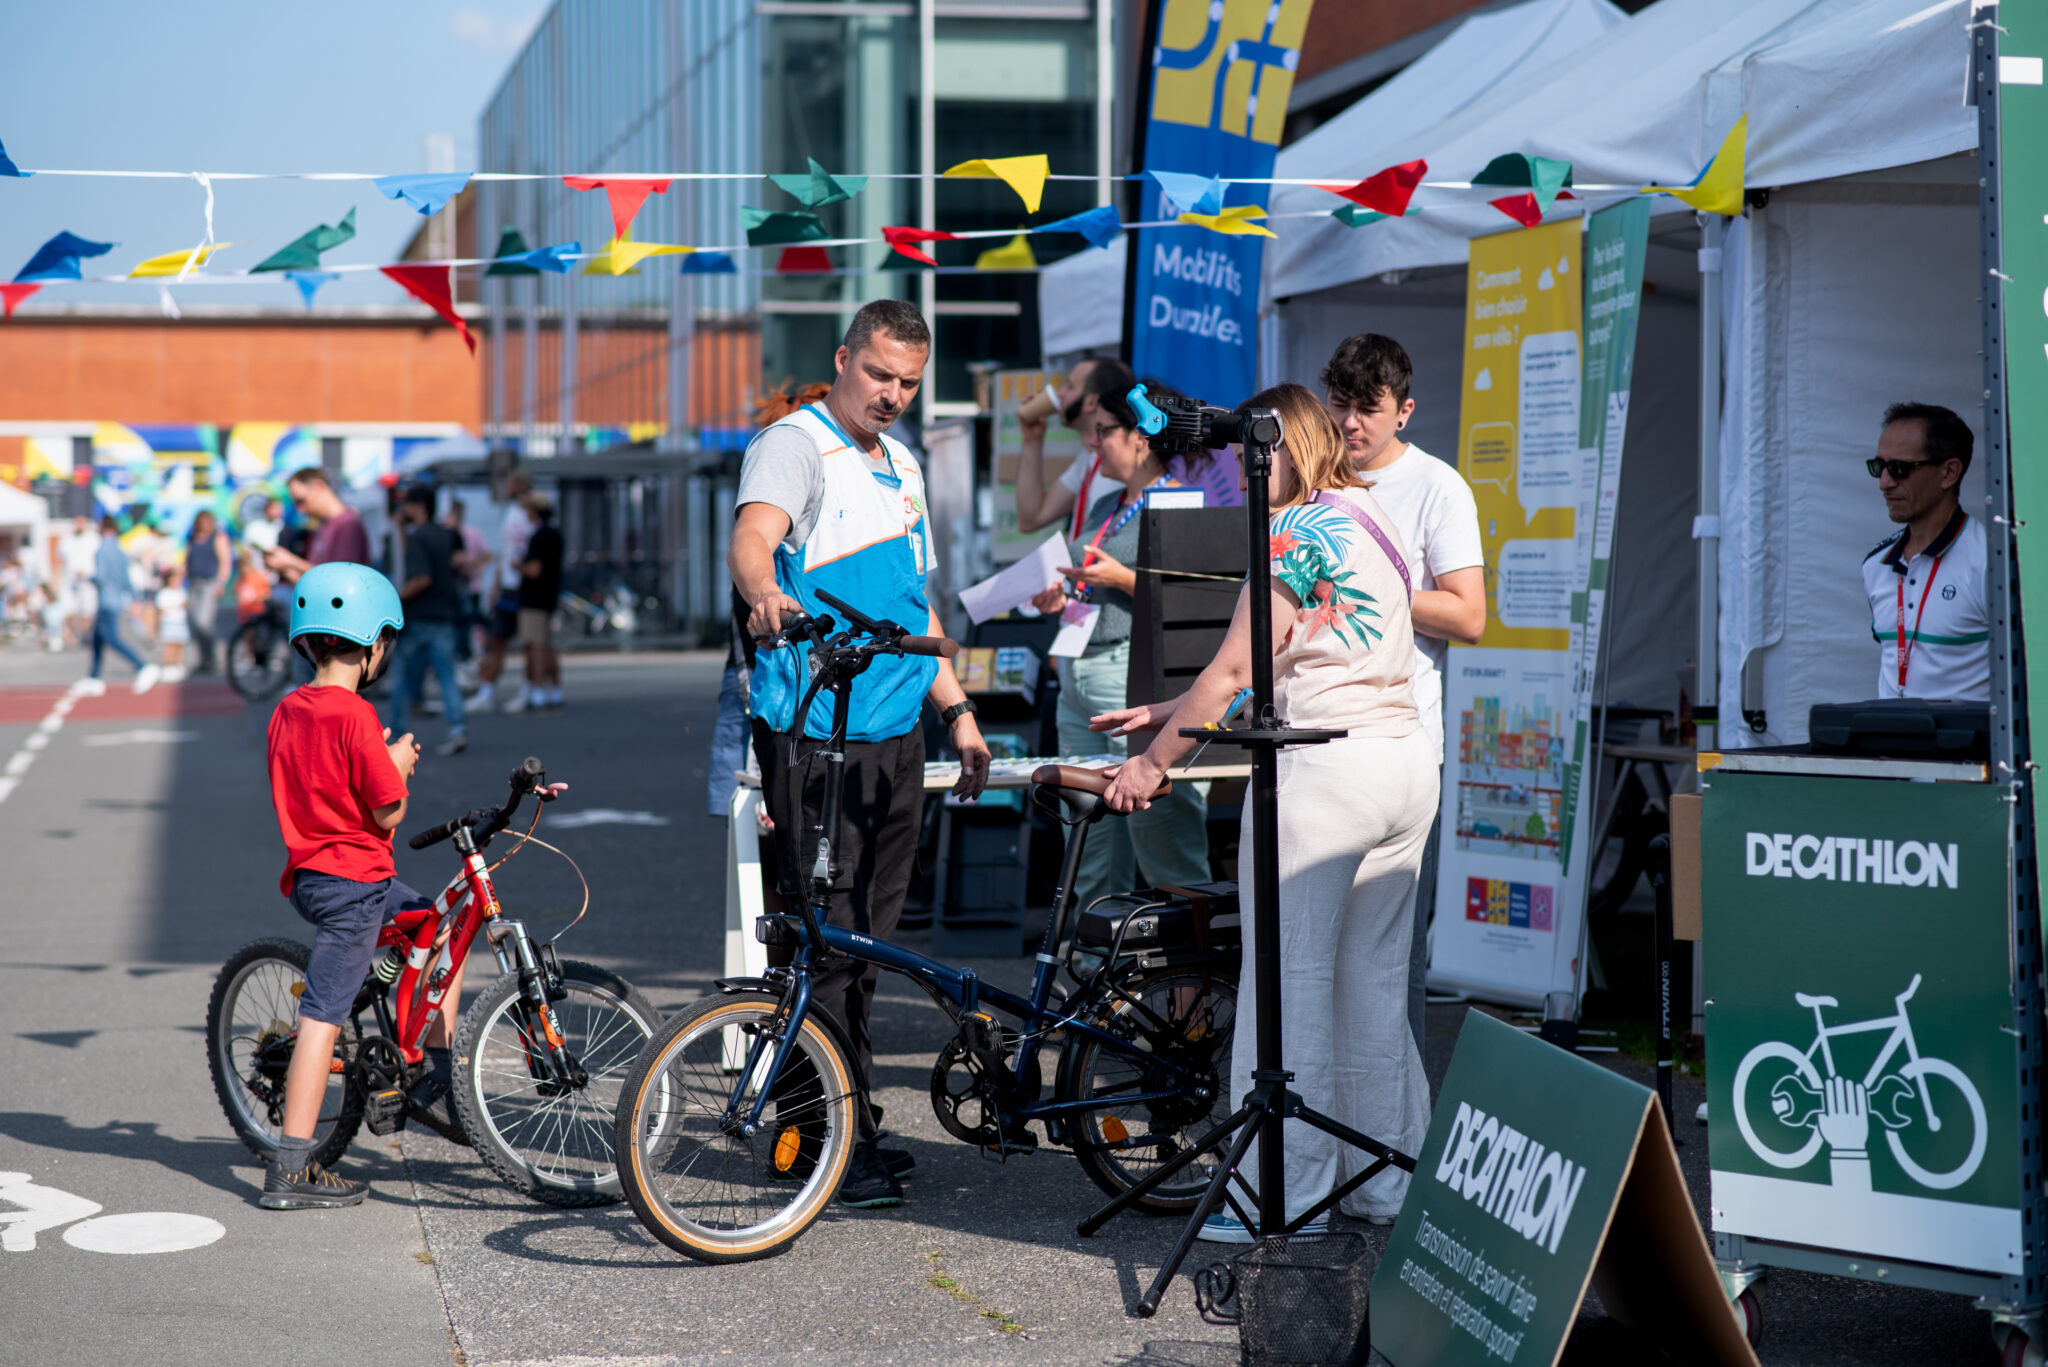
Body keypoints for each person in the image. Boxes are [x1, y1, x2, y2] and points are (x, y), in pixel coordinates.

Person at [1098, 384, 1436, 1238]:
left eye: (1250, 454)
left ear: (1279, 446)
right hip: (1402, 764)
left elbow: (1232, 672)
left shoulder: (1294, 530)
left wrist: (1151, 763)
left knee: (1289, 984)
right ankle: (1384, 1186)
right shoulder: (1374, 515)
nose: (1240, 472)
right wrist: (1170, 713)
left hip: (1325, 777)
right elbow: (1308, 655)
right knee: (1371, 986)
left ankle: (1276, 1196)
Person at [729, 298, 992, 1209]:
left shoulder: (902, 461)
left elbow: (913, 600)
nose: (891, 393)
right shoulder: (795, 445)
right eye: (879, 373)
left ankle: (849, 1124)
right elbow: (753, 537)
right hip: (817, 731)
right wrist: (763, 593)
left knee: (869, 945)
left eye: (908, 382)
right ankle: (813, 1141)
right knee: (822, 942)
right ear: (842, 359)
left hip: (895, 733)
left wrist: (957, 709)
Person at [262, 562, 465, 1208]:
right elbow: (388, 813)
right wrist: (397, 763)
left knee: (439, 921)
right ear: (375, 643)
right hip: (353, 885)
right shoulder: (355, 714)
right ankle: (291, 1169)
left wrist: (369, 758)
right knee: (322, 1017)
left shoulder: (288, 710)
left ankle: (432, 1075)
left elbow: (318, 779)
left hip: (314, 875)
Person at [1322, 334, 1484, 1054]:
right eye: (1339, 405)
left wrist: (1372, 587)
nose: (1350, 422)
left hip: (1401, 747)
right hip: (1316, 745)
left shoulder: (1437, 487)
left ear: (1405, 411)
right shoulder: (1313, 479)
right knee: (1318, 952)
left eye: (1368, 408)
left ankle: (1404, 1107)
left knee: (1392, 953)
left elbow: (1469, 616)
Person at [1028, 380, 1214, 910]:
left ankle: (1189, 957)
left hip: (1135, 680)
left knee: (1161, 839)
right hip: (1080, 677)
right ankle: (1095, 957)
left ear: (1140, 436)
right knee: (1088, 846)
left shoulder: (1180, 502)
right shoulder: (1108, 503)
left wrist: (1123, 579)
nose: (1093, 444)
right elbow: (1090, 581)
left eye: (1103, 431)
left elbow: (1195, 599)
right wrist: (1065, 593)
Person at [1861, 402, 1987, 700]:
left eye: (1899, 468)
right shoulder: (1875, 564)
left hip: (1970, 733)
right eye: (1879, 467)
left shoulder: (1990, 562)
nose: (1884, 483)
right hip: (1891, 731)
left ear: (1949, 473)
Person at [387, 485, 471, 757]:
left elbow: (419, 576)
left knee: (401, 675)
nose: (404, 509)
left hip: (419, 615)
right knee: (446, 675)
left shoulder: (418, 537)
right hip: (444, 614)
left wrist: (398, 598)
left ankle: (396, 734)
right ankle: (457, 728)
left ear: (419, 506)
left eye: (408, 504)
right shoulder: (444, 534)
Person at [469, 472, 535, 713]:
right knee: (497, 640)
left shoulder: (532, 514)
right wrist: (496, 585)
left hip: (524, 588)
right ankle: (487, 692)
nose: (506, 488)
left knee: (530, 644)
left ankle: (530, 691)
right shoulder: (511, 512)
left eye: (510, 484)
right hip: (507, 587)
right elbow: (505, 554)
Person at [80, 517, 159, 696]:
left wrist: (85, 578)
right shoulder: (121, 551)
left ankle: (143, 666)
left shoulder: (101, 550)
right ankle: (94, 677)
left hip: (106, 600)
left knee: (111, 638)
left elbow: (100, 577)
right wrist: (135, 597)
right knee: (97, 639)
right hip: (116, 600)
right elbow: (126, 579)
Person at [263, 469, 370, 585]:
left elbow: (340, 579)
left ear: (319, 487)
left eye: (301, 501)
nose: (300, 510)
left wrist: (292, 561)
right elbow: (315, 585)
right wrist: (285, 568)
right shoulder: (321, 526)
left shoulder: (348, 524)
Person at [511, 491, 563, 712]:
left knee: (536, 647)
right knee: (547, 646)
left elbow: (534, 570)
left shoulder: (539, 536)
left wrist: (518, 566)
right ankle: (554, 689)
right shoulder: (554, 533)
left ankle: (538, 689)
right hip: (548, 596)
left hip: (534, 599)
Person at [186, 509, 230, 674]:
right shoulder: (193, 538)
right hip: (193, 582)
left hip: (209, 583)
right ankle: (204, 660)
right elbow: (187, 560)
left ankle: (213, 658)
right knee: (193, 623)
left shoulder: (217, 538)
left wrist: (221, 583)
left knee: (203, 622)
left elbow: (225, 561)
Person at [156, 564, 190, 682]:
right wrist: (157, 627)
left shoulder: (181, 592)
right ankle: (167, 667)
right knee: (170, 646)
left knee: (179, 645)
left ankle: (178, 666)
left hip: (180, 623)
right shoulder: (164, 593)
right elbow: (161, 610)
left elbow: (185, 605)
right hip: (169, 623)